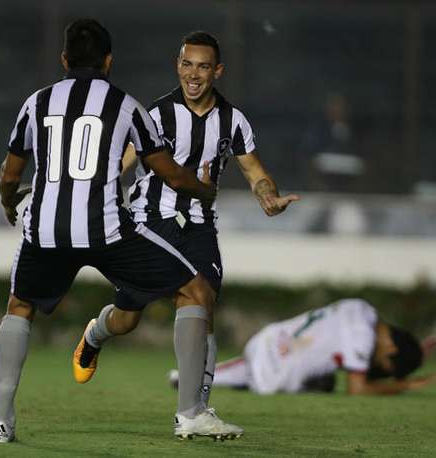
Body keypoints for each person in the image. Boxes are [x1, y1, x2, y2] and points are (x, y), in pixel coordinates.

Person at [0, 18, 221, 443]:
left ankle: (1, 423)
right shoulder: (127, 106)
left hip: (46, 233)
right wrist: (205, 190)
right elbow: (169, 173)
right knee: (195, 291)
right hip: (108, 232)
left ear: (63, 60)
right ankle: (190, 413)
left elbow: (10, 173)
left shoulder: (35, 103)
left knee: (20, 307)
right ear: (109, 62)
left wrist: (8, 203)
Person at [73, 31, 298, 439]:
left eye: (203, 66)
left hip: (198, 227)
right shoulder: (154, 115)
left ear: (217, 71)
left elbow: (255, 172)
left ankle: (195, 410)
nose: (193, 75)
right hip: (148, 223)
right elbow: (118, 163)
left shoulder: (233, 121)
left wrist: (268, 196)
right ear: (178, 66)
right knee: (126, 319)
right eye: (187, 65)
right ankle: (96, 332)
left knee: (203, 301)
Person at [169, 298, 436, 395]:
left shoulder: (363, 309)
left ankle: (186, 378)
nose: (378, 366)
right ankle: (192, 378)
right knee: (324, 384)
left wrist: (413, 352)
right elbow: (358, 389)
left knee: (321, 378)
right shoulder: (362, 337)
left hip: (268, 339)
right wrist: (407, 385)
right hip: (277, 375)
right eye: (385, 365)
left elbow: (381, 351)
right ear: (392, 349)